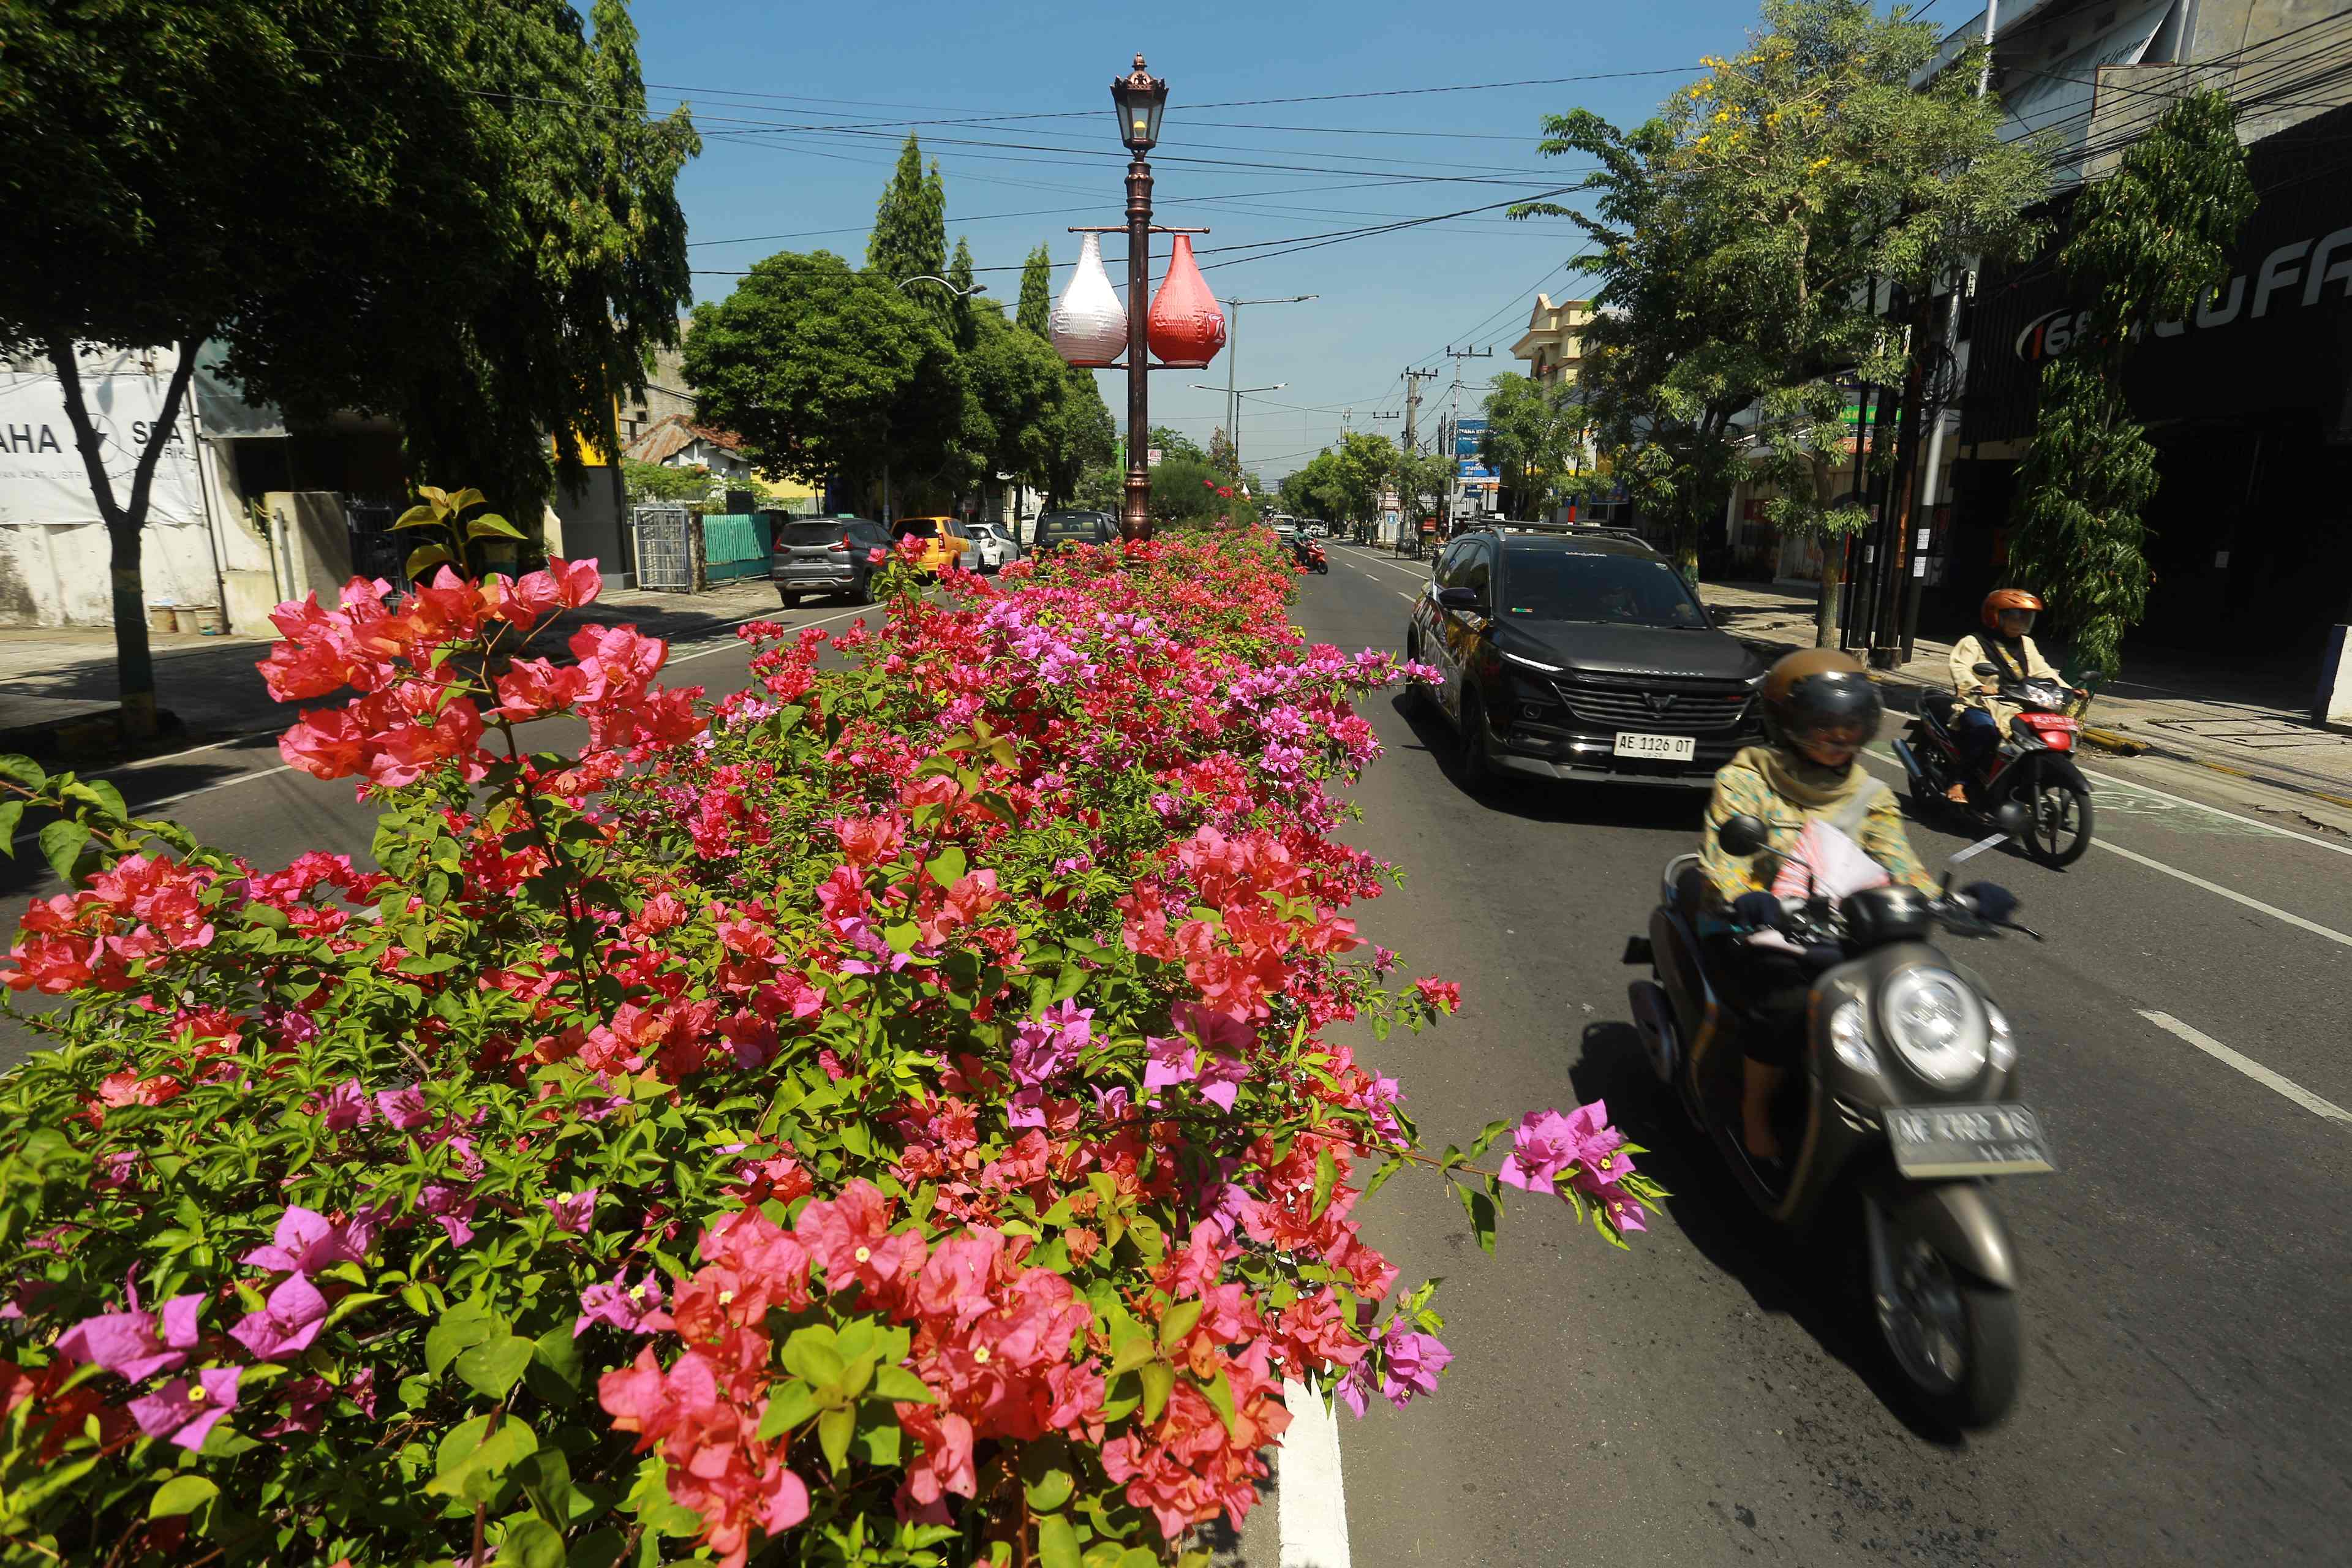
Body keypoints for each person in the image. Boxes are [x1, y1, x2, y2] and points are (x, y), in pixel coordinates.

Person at [1699, 649, 1947, 1176]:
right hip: (1757, 927)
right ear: (1787, 724)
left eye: (1852, 726)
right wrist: (1746, 895)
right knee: (1788, 997)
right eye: (1823, 726)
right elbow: (1725, 863)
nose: (1839, 739)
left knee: (1923, 990)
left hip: (1842, 930)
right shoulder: (1747, 780)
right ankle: (1757, 1111)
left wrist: (1950, 899)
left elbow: (1901, 864)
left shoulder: (1872, 794)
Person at [1945, 590, 2079, 802]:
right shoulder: (1974, 642)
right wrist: (1978, 685)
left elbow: (2043, 671)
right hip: (1981, 703)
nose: (2022, 621)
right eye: (2015, 615)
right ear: (1995, 616)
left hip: (2019, 703)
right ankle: (1959, 782)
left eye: (2027, 616)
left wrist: (2068, 689)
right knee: (1986, 732)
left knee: (2041, 736)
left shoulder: (2026, 643)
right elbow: (1960, 668)